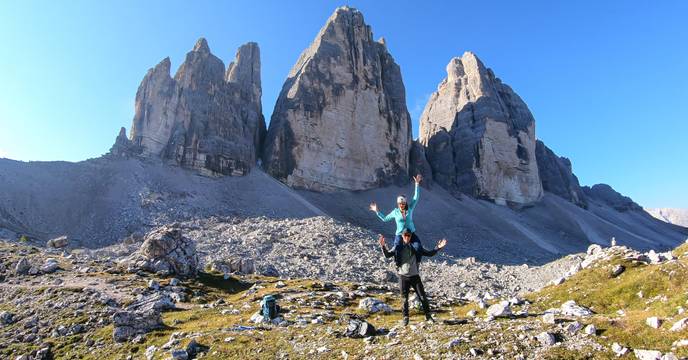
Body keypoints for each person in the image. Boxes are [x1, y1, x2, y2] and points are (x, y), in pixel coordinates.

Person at [379, 228, 447, 325]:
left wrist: (438, 247)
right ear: (402, 236)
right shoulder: (398, 247)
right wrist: (383, 246)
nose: (407, 237)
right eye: (405, 235)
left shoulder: (416, 247)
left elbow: (429, 253)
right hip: (403, 277)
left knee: (423, 297)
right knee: (404, 299)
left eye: (409, 235)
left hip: (415, 277)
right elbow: (387, 255)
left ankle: (428, 317)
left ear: (411, 237)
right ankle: (405, 318)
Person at [370, 174, 423, 246]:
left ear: (405, 203)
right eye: (400, 203)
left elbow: (416, 197)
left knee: (418, 247)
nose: (401, 205)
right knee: (397, 249)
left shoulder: (410, 208)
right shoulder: (395, 212)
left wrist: (417, 184)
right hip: (400, 234)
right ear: (398, 204)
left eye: (403, 203)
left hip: (411, 234)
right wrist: (377, 211)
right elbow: (385, 219)